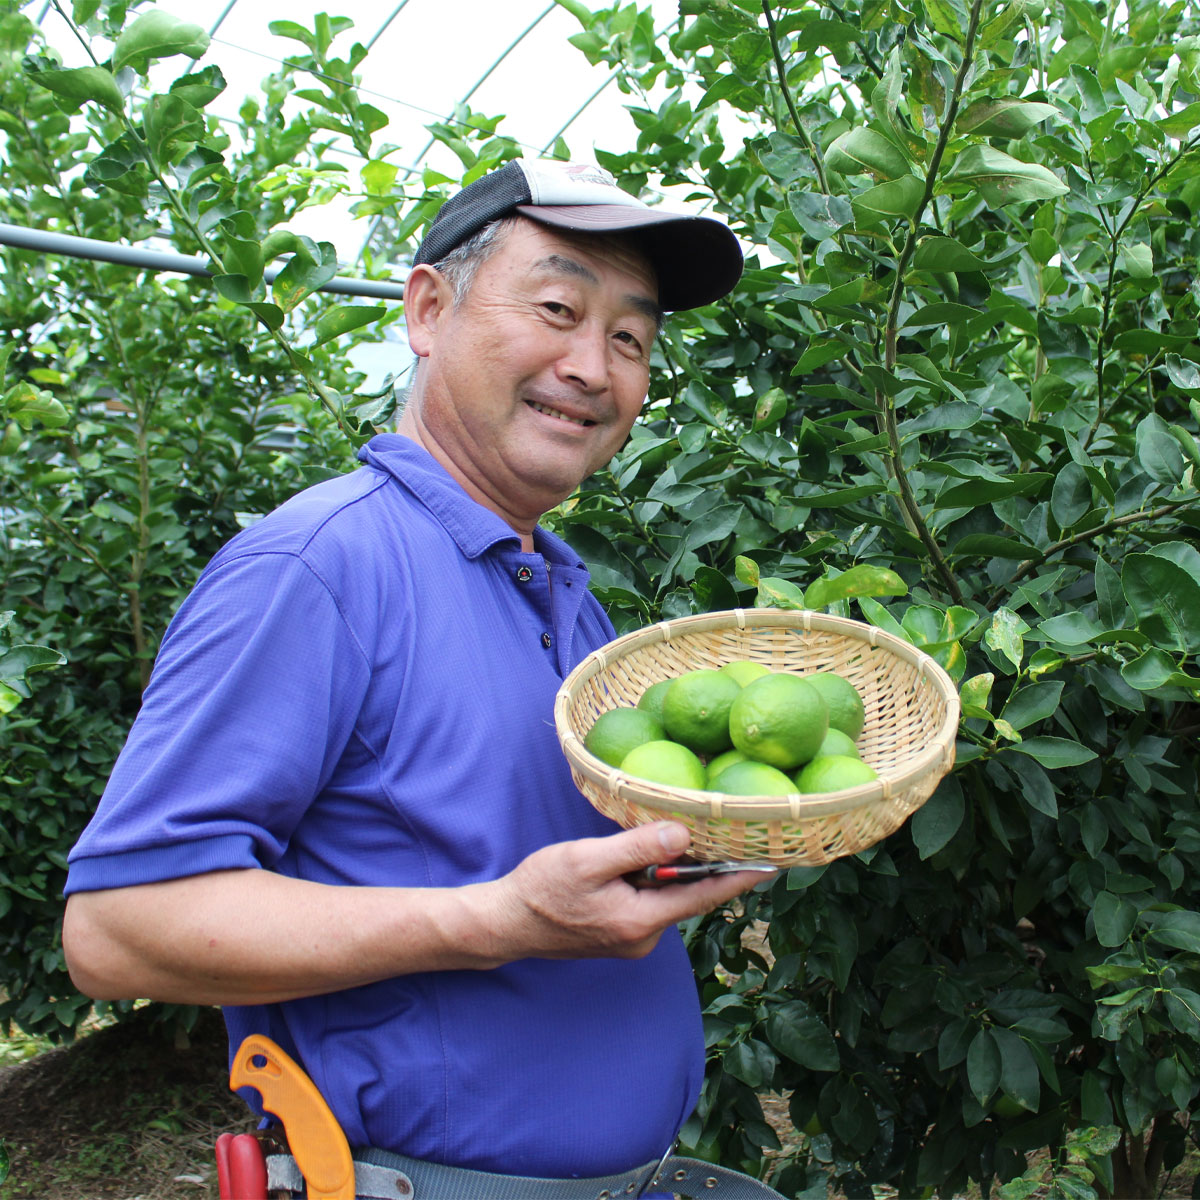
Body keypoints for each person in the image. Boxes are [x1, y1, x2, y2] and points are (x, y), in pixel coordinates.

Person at [63, 159, 781, 1199]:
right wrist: (493, 922)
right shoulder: (318, 569)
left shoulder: (568, 598)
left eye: (630, 339)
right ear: (428, 309)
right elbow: (118, 929)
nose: (593, 365)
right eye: (557, 307)